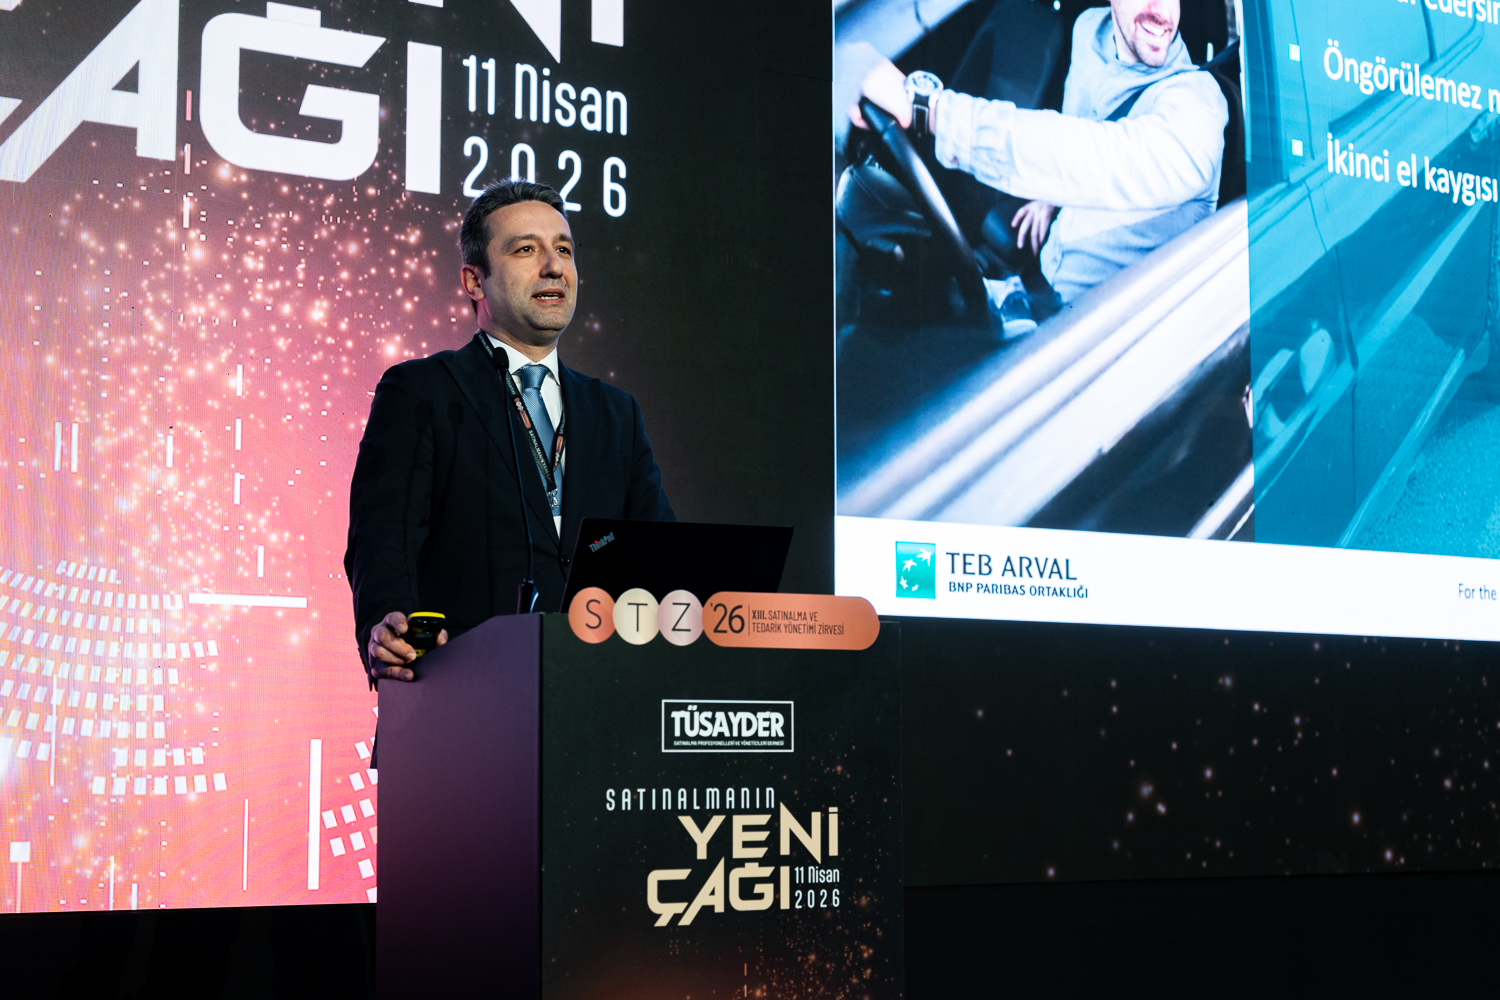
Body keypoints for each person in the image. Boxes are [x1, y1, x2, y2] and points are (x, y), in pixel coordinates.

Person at [345, 179, 675, 685]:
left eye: (563, 250)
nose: (554, 267)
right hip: (463, 696)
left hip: (598, 695)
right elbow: (382, 540)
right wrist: (385, 624)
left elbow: (662, 559)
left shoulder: (615, 413)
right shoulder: (424, 391)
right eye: (526, 250)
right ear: (475, 281)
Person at [851, 0, 1227, 321]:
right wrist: (1050, 195)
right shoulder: (1090, 31)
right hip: (1040, 285)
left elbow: (1097, 157)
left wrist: (927, 107)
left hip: (1102, 335)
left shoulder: (1198, 109)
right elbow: (1077, 127)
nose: (1162, 10)